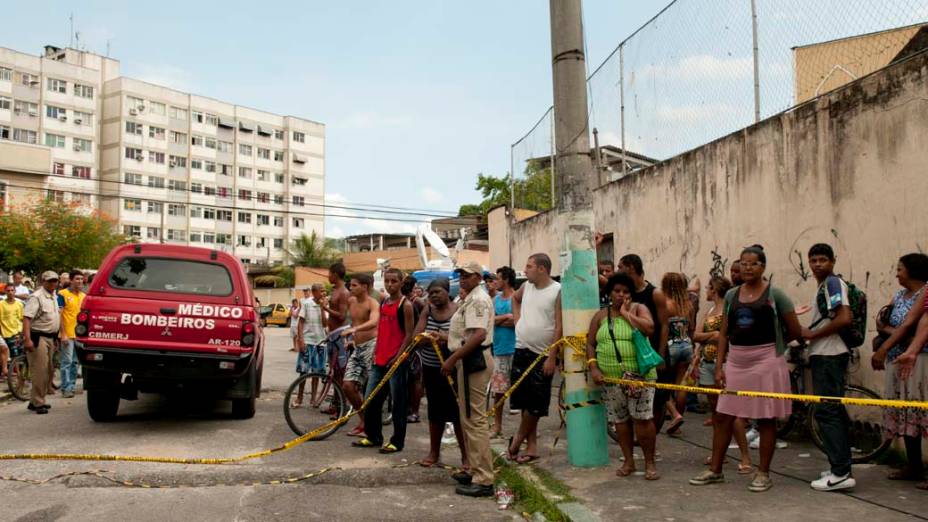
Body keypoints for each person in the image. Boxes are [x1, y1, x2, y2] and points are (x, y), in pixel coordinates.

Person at [690, 245, 801, 492]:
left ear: (763, 267)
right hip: (737, 361)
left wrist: (777, 345)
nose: (747, 267)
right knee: (723, 416)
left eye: (753, 263)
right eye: (743, 263)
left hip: (766, 360)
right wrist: (720, 366)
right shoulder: (731, 296)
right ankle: (715, 470)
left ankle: (763, 473)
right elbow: (724, 334)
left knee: (765, 418)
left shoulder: (776, 295)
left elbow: (794, 329)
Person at [587, 273, 660, 480]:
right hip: (610, 379)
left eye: (625, 292)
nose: (621, 295)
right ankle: (628, 461)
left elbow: (649, 328)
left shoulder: (638, 309)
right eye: (617, 291)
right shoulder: (600, 316)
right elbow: (591, 343)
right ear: (609, 293)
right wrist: (594, 368)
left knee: (643, 419)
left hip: (639, 376)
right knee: (620, 421)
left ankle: (650, 463)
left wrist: (626, 313)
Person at [800, 244, 856, 492]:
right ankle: (840, 465)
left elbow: (844, 317)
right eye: (813, 260)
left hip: (830, 354)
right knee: (832, 410)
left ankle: (841, 473)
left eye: (823, 259)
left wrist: (813, 335)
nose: (817, 264)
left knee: (828, 411)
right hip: (825, 354)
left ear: (833, 261)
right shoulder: (824, 286)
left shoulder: (834, 284)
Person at [872, 253, 928, 490]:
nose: (896, 274)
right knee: (906, 414)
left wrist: (884, 348)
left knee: (920, 410)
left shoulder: (925, 291)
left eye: (900, 269)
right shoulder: (898, 296)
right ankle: (913, 465)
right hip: (900, 358)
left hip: (920, 359)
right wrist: (889, 337)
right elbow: (887, 323)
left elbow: (911, 326)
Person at [443, 261, 495, 497]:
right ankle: (475, 470)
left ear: (478, 277)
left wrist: (452, 359)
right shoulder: (469, 299)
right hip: (469, 358)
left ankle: (484, 479)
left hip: (475, 360)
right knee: (468, 419)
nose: (462, 278)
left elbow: (478, 335)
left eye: (467, 275)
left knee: (475, 420)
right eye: (460, 274)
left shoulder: (478, 300)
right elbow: (465, 333)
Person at [693, 277, 754, 473]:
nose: (706, 292)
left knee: (731, 412)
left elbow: (728, 336)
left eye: (708, 288)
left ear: (715, 290)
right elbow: (696, 335)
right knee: (716, 413)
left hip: (726, 363)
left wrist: (713, 337)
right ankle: (719, 453)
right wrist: (713, 336)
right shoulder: (709, 311)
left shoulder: (729, 310)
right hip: (707, 363)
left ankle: (745, 456)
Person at [352, 268, 414, 453]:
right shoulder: (385, 302)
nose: (389, 284)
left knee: (398, 404)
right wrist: (376, 351)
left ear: (401, 283)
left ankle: (397, 441)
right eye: (387, 281)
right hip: (379, 360)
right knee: (371, 400)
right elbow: (382, 330)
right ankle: (373, 436)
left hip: (396, 362)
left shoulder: (406, 305)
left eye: (394, 281)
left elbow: (409, 335)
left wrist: (398, 357)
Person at [508, 253, 561, 463]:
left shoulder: (557, 291)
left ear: (542, 269)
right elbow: (515, 298)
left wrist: (552, 356)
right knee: (523, 401)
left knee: (537, 403)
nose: (525, 269)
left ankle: (517, 440)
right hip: (521, 348)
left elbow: (559, 325)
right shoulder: (526, 287)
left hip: (542, 354)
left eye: (529, 266)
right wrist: (518, 321)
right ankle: (531, 446)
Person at [413, 277, 468, 468]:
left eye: (437, 292)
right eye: (431, 293)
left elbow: (464, 340)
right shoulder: (428, 311)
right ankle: (434, 453)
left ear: (447, 292)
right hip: (431, 368)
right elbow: (417, 338)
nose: (434, 296)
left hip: (453, 368)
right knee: (434, 412)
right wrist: (428, 339)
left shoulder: (459, 311)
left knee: (457, 412)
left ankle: (466, 457)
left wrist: (442, 338)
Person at [617, 254, 670, 430]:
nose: (618, 271)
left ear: (630, 268)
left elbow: (664, 325)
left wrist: (661, 355)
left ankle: (650, 436)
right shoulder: (626, 294)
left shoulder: (655, 293)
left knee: (656, 398)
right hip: (632, 354)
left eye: (620, 267)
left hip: (652, 351)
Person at [341, 274, 380, 437]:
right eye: (351, 285)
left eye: (355, 285)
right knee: (348, 386)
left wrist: (354, 330)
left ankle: (371, 426)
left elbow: (374, 322)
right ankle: (364, 420)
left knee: (370, 389)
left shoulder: (373, 303)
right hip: (357, 347)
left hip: (372, 346)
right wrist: (351, 339)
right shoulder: (351, 301)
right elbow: (354, 322)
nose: (351, 288)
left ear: (365, 287)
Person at [660, 272, 696, 435]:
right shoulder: (688, 305)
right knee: (680, 385)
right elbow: (692, 329)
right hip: (686, 345)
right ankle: (678, 423)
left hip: (670, 347)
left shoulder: (666, 304)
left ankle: (675, 414)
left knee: (661, 384)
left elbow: (662, 329)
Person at [23, 271, 62, 414]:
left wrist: (57, 337)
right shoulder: (36, 297)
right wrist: (27, 339)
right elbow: (27, 318)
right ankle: (39, 402)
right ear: (43, 281)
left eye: (55, 281)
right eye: (50, 281)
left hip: (51, 337)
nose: (53, 283)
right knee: (40, 372)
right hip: (38, 337)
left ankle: (34, 401)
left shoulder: (53, 296)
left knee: (50, 370)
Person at [490, 266, 517, 438]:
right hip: (499, 349)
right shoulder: (496, 300)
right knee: (498, 391)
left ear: (506, 280)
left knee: (520, 390)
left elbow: (516, 321)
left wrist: (502, 320)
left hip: (515, 348)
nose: (495, 282)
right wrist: (505, 318)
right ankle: (497, 426)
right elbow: (489, 319)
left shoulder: (515, 298)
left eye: (498, 278)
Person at [292, 284, 328, 408]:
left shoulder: (325, 305)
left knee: (317, 372)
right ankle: (299, 398)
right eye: (321, 291)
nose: (324, 293)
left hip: (320, 343)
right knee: (303, 371)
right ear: (314, 292)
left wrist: (323, 308)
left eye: (325, 291)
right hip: (308, 341)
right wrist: (300, 340)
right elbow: (300, 323)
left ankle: (313, 399)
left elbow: (324, 324)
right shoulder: (306, 304)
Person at [57, 270, 86, 399]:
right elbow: (60, 315)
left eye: (81, 279)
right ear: (71, 280)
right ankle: (66, 388)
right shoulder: (62, 294)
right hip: (67, 334)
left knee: (75, 362)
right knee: (67, 362)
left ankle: (72, 386)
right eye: (77, 279)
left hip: (79, 335)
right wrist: (62, 334)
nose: (80, 281)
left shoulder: (83, 296)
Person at [0, 285, 23, 379]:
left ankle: (19, 375)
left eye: (12, 290)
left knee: (15, 355)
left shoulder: (19, 304)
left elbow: (21, 318)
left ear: (15, 291)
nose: (10, 292)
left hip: (16, 332)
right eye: (8, 290)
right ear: (5, 292)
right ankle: (5, 372)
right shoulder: (1, 304)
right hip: (4, 332)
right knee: (4, 350)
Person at [322, 262, 350, 332]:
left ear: (335, 275)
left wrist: (325, 308)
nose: (328, 276)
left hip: (339, 334)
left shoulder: (344, 292)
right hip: (332, 333)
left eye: (329, 274)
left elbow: (342, 316)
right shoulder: (334, 290)